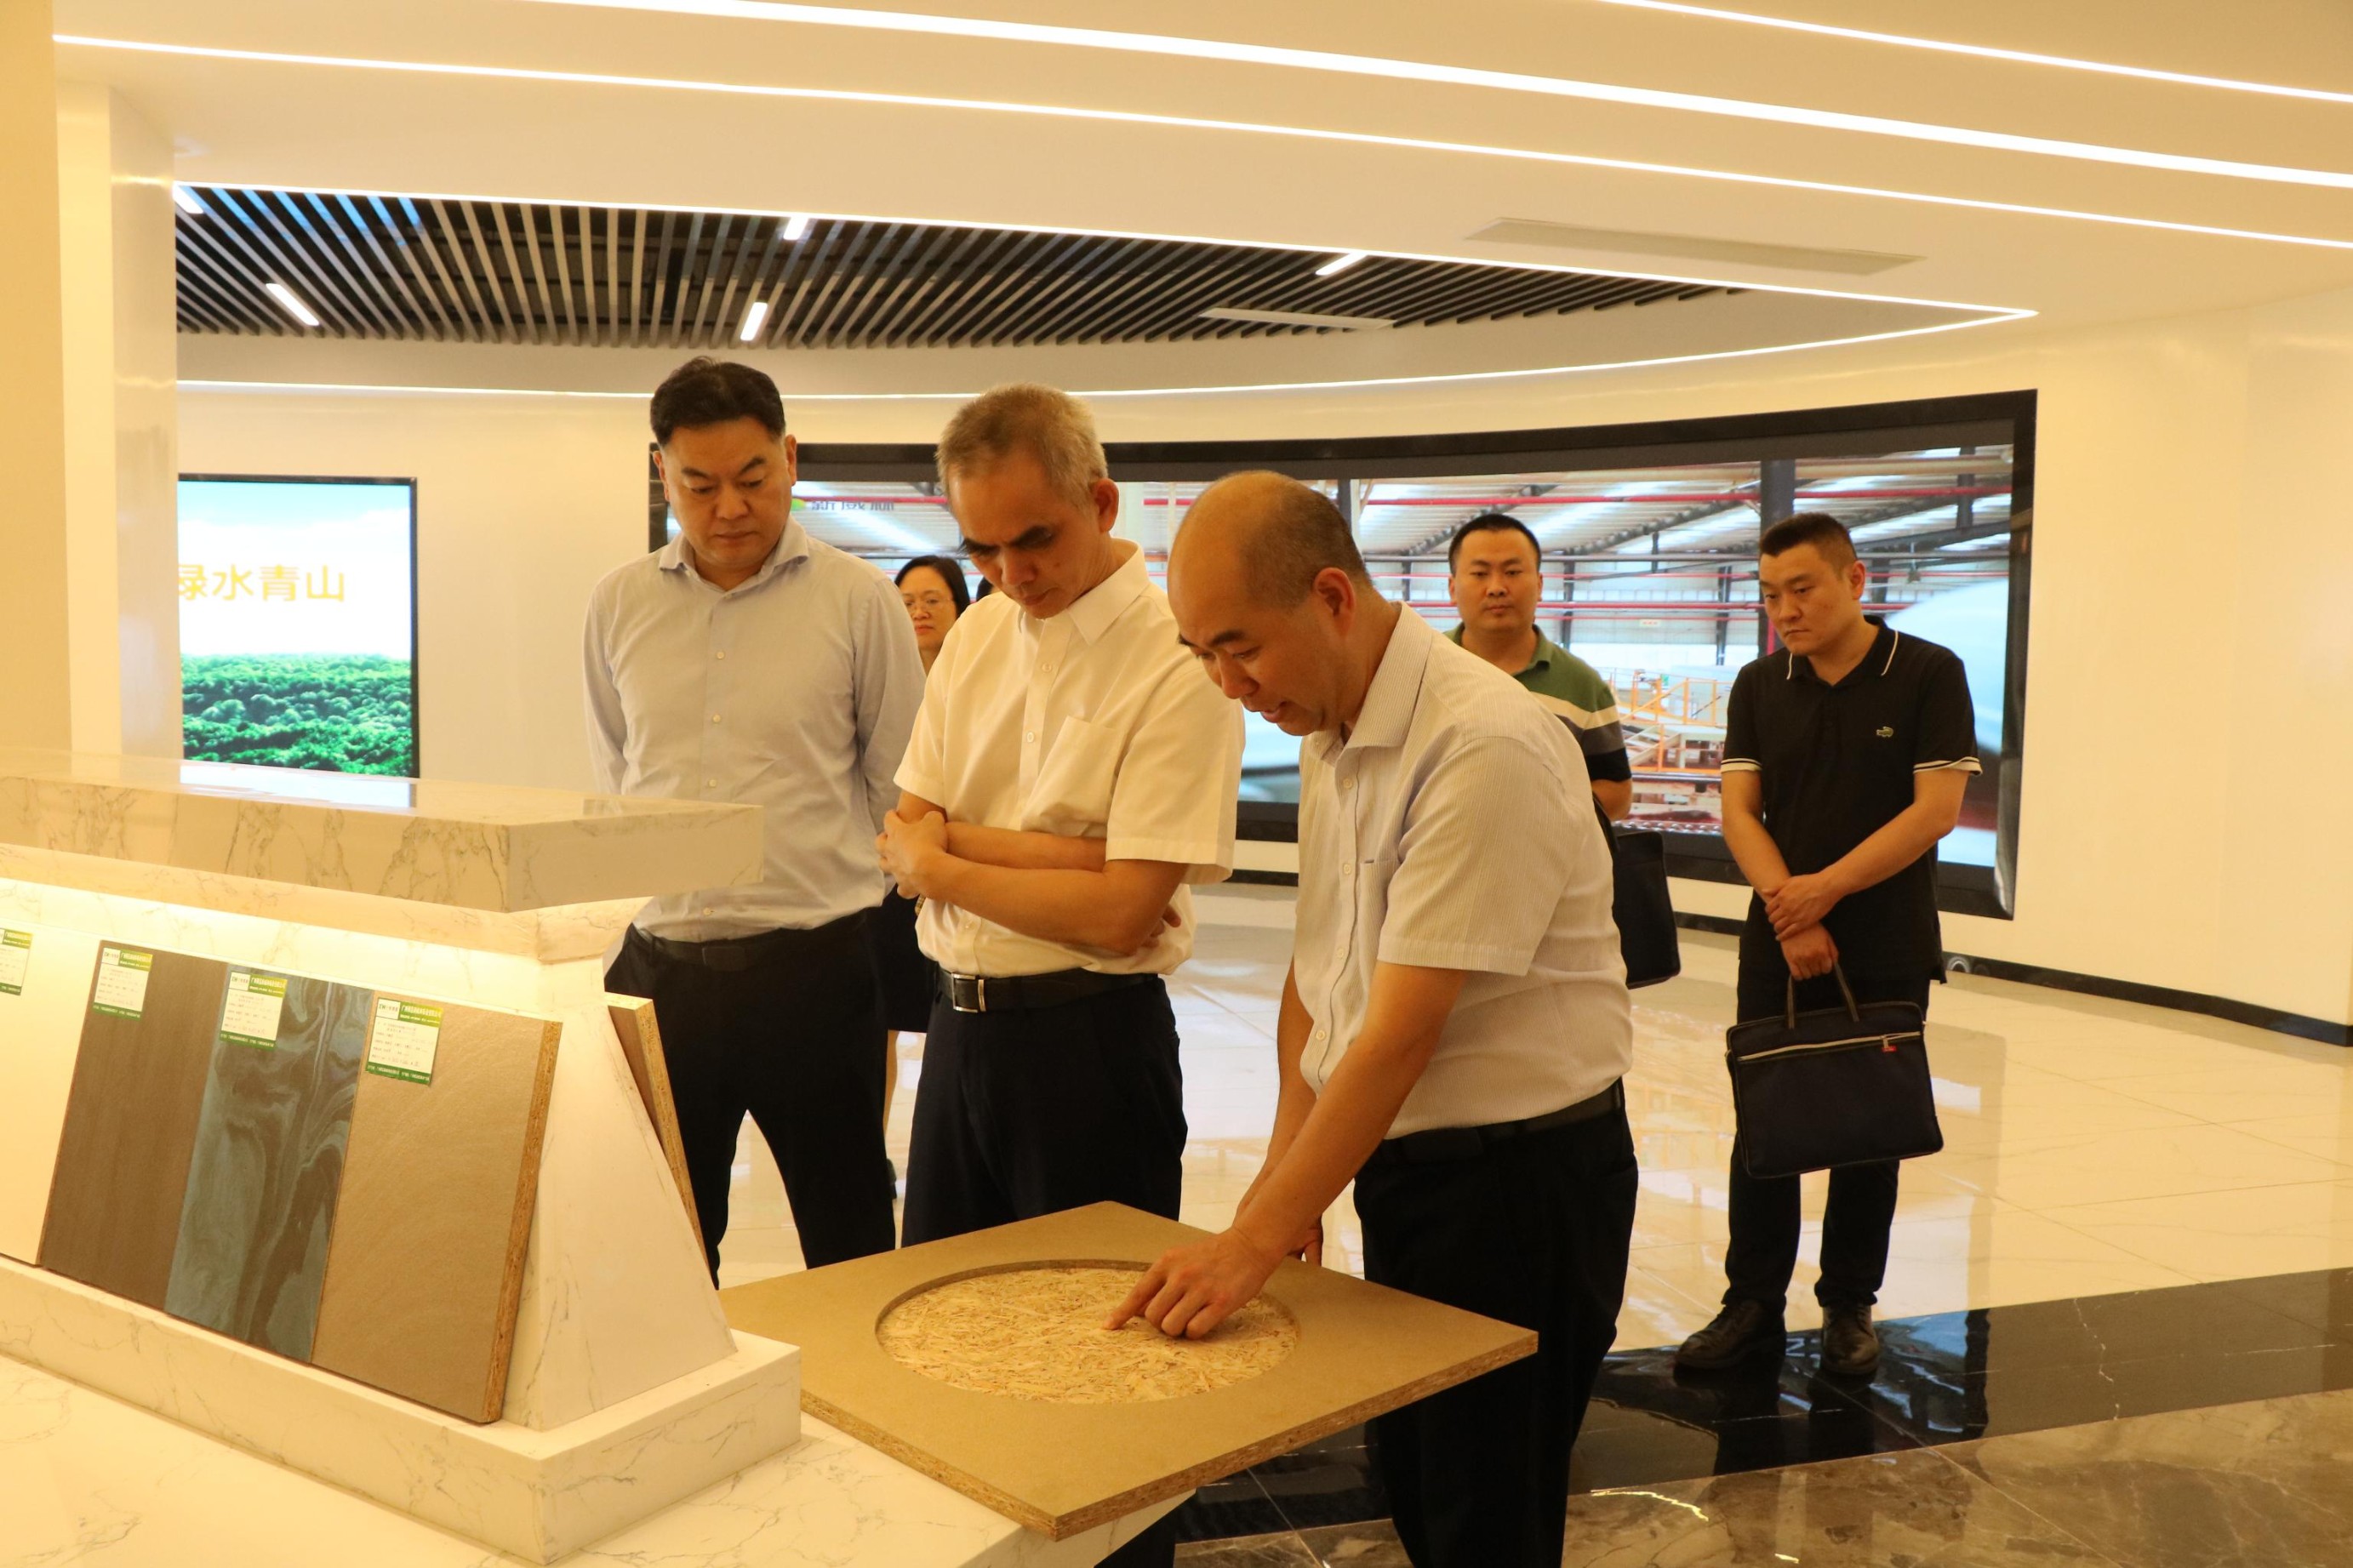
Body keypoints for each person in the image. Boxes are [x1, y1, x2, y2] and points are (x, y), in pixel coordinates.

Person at [1122, 472, 1637, 1568]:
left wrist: (1252, 1242)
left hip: (1519, 1192)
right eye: (1200, 653)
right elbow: (1320, 978)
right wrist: (1283, 1183)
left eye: (1239, 648)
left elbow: (1401, 1032)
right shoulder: (1333, 727)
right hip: (1415, 1176)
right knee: (1415, 1481)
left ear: (1331, 597)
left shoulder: (1482, 740)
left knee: (1484, 1516)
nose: (1227, 686)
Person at [876, 385, 1243, 1568]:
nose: (1009, 572)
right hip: (960, 1035)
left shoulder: (1175, 654)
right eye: (981, 546)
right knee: (943, 1352)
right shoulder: (979, 632)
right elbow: (905, 825)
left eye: (1033, 538)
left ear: (1101, 501)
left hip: (1090, 1044)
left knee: (1109, 1381)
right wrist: (1071, 856)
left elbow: (1124, 910)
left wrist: (952, 859)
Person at [585, 356, 919, 1274]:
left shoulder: (858, 599)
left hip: (815, 971)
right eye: (700, 485)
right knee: (667, 1242)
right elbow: (617, 770)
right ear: (663, 473)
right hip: (662, 973)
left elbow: (895, 785)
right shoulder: (617, 603)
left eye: (751, 478)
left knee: (847, 1235)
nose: (728, 508)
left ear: (790, 459)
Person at [1672, 511, 1978, 1379]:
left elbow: (1933, 813)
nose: (1785, 611)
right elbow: (1739, 812)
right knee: (1763, 1120)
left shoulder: (1925, 671)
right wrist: (1793, 911)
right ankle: (1749, 1300)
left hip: (1885, 938)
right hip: (1778, 937)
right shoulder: (1759, 682)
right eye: (1770, 595)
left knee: (1868, 1127)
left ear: (1853, 579)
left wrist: (1824, 892)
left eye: (1800, 589)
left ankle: (1848, 1302)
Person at [867, 556, 972, 1151]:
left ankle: (945, 1145)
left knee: (949, 1022)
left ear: (959, 606)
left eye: (933, 600)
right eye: (907, 601)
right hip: (888, 874)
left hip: (960, 871)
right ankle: (873, 1150)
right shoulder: (879, 679)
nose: (919, 612)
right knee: (877, 1022)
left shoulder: (979, 680)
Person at [1446, 511, 1633, 822]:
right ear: (1453, 588)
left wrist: (1538, 818)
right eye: (1479, 574)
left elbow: (1617, 793)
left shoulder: (1582, 684)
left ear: (1540, 584)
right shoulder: (1419, 668)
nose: (1496, 587)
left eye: (1512, 572)